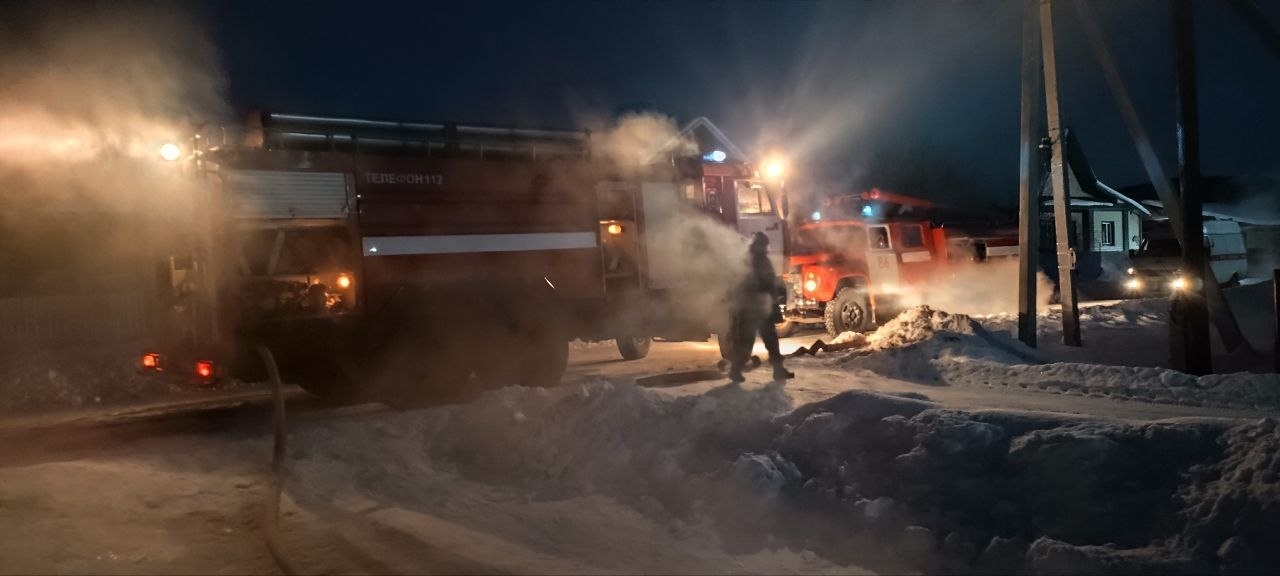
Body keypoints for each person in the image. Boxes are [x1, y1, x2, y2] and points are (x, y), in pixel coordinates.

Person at [728, 232, 794, 383]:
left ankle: (776, 370)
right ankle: (736, 370)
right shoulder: (756, 260)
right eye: (764, 245)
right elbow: (764, 283)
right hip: (754, 307)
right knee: (753, 341)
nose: (765, 248)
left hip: (757, 307)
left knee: (765, 340)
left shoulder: (749, 259)